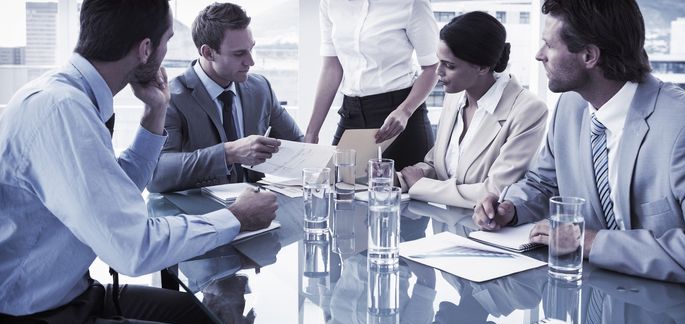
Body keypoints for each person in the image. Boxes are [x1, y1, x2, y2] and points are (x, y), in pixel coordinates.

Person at [0, 0, 277, 324]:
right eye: (167, 40)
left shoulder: (66, 95)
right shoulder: (62, 110)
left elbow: (116, 194)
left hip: (76, 296)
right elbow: (134, 248)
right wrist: (234, 218)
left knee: (220, 323)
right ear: (146, 49)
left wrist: (155, 112)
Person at [473, 0, 685, 291]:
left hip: (674, 316)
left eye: (549, 46)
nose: (539, 55)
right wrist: (510, 208)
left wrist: (591, 241)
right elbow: (544, 183)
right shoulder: (569, 107)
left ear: (589, 55)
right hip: (589, 297)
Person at [148, 2, 304, 193]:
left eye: (251, 49)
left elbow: (299, 146)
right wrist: (229, 153)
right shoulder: (171, 98)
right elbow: (157, 175)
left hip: (258, 209)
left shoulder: (260, 88)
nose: (251, 62)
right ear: (207, 52)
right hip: (199, 215)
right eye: (239, 54)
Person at [398, 11, 548, 208]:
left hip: (487, 232)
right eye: (439, 61)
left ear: (482, 67)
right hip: (444, 229)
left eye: (449, 65)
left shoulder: (528, 111)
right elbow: (437, 165)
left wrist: (420, 186)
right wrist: (397, 180)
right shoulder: (454, 97)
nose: (438, 72)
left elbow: (494, 191)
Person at [304, 0, 439, 171]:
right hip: (351, 113)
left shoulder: (412, 3)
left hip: (399, 116)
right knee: (336, 186)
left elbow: (433, 67)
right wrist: (312, 132)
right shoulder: (330, 3)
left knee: (403, 192)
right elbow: (332, 67)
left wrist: (405, 110)